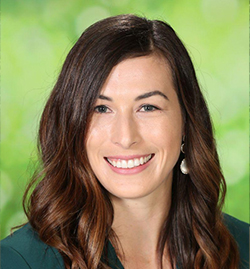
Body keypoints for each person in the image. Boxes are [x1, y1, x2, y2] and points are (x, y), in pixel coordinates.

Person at [1, 14, 249, 269]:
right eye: (101, 109)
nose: (126, 137)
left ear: (186, 121)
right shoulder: (20, 261)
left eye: (148, 107)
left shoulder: (244, 248)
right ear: (72, 125)